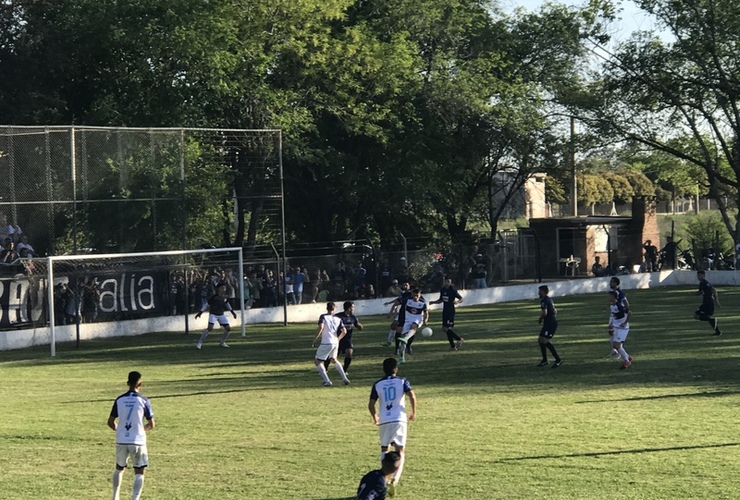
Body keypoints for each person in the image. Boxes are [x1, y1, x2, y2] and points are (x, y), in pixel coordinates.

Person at [368, 358, 417, 496]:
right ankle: (394, 480)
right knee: (400, 450)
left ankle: (384, 479)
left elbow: (371, 404)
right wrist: (413, 412)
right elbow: (412, 395)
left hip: (384, 419)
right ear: (397, 369)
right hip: (399, 419)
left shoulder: (377, 384)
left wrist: (375, 417)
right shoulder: (402, 381)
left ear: (383, 369)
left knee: (385, 449)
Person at [107, 371, 155, 500]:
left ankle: (115, 496)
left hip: (122, 439)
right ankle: (134, 498)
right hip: (138, 440)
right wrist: (141, 430)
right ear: (140, 384)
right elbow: (151, 424)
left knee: (119, 467)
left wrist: (120, 430)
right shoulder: (144, 400)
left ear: (127, 383)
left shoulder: (120, 399)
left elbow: (110, 422)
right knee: (139, 470)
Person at [312, 302, 350, 386]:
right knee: (334, 359)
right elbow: (344, 331)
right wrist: (338, 339)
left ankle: (327, 381)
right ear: (334, 309)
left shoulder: (323, 317)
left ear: (327, 308)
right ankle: (344, 378)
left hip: (326, 342)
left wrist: (315, 339)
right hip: (335, 342)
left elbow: (321, 327)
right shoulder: (338, 319)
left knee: (317, 361)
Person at [195, 282, 237, 349]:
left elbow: (227, 304)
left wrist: (232, 312)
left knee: (228, 329)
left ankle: (222, 342)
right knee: (210, 328)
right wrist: (200, 312)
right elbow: (207, 305)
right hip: (213, 314)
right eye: (222, 288)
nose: (224, 289)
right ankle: (199, 342)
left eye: (225, 288)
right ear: (218, 289)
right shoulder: (214, 297)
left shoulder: (225, 297)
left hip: (221, 314)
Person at [429, 277, 464, 350]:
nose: (447, 282)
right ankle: (452, 346)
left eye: (448, 281)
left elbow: (461, 298)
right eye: (446, 281)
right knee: (445, 329)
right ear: (444, 281)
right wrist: (433, 302)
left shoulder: (453, 290)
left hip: (451, 311)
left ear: (450, 282)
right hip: (445, 311)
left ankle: (459, 339)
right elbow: (441, 300)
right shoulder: (443, 290)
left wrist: (457, 302)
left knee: (445, 329)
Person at [397, 288, 428, 364]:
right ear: (412, 294)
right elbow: (397, 303)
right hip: (407, 320)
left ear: (420, 295)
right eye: (414, 295)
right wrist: (394, 311)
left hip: (417, 319)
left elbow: (426, 312)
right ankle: (402, 358)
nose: (415, 297)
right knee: (403, 340)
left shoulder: (423, 303)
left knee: (413, 327)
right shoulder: (407, 300)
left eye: (417, 295)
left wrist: (425, 321)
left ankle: (406, 338)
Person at [334, 300, 363, 374]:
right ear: (349, 308)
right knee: (333, 356)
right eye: (353, 307)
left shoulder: (353, 317)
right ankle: (325, 368)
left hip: (348, 339)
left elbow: (358, 326)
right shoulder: (338, 317)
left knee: (349, 353)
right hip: (338, 338)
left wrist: (360, 326)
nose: (354, 309)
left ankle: (344, 370)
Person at [537, 285, 562, 368]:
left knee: (545, 341)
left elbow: (545, 313)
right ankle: (544, 360)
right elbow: (555, 311)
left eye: (539, 291)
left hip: (550, 324)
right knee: (540, 339)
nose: (538, 293)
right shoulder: (549, 299)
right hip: (549, 323)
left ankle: (558, 360)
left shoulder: (544, 301)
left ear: (543, 292)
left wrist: (540, 319)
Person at [608, 290, 633, 369]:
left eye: (609, 296)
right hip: (616, 327)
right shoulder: (612, 305)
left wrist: (625, 323)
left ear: (614, 297)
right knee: (615, 345)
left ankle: (627, 361)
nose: (608, 298)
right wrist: (611, 324)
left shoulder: (619, 306)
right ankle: (628, 357)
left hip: (623, 328)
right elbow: (613, 315)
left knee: (617, 345)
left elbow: (629, 313)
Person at [607, 277, 631, 358]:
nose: (610, 283)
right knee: (610, 331)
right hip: (614, 315)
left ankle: (619, 350)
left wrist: (624, 312)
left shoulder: (620, 293)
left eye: (612, 282)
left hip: (619, 316)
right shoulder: (612, 293)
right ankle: (614, 350)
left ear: (616, 283)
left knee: (617, 332)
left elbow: (626, 304)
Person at [382, 282, 409, 348]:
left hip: (409, 314)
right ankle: (389, 342)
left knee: (404, 329)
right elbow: (397, 301)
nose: (405, 286)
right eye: (404, 285)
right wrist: (391, 311)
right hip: (402, 313)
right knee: (393, 326)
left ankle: (406, 345)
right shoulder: (403, 294)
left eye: (406, 285)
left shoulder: (412, 294)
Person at [695, 270, 721, 335]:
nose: (698, 277)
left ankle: (714, 324)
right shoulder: (701, 283)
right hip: (706, 302)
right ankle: (718, 332)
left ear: (703, 276)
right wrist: (692, 294)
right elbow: (700, 292)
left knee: (696, 315)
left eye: (699, 275)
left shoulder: (705, 283)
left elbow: (714, 290)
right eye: (698, 275)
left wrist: (716, 301)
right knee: (703, 316)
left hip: (708, 303)